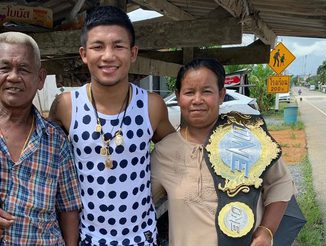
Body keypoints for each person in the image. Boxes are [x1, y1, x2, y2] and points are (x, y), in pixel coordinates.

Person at [49, 5, 175, 246]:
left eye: (118, 46)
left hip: (141, 237)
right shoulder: (66, 106)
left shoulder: (152, 106)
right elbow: (42, 157)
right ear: (84, 54)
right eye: (98, 46)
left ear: (133, 52)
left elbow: (177, 153)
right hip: (86, 238)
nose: (108, 56)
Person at [151, 58, 295, 246]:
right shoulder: (164, 151)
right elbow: (138, 200)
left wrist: (266, 230)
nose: (197, 100)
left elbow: (280, 183)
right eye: (189, 92)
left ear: (221, 94)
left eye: (206, 91)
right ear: (178, 96)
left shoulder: (248, 140)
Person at [0, 32, 81, 245]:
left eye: (24, 69)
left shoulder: (56, 141)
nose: (14, 77)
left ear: (40, 79)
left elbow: (69, 208)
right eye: (4, 68)